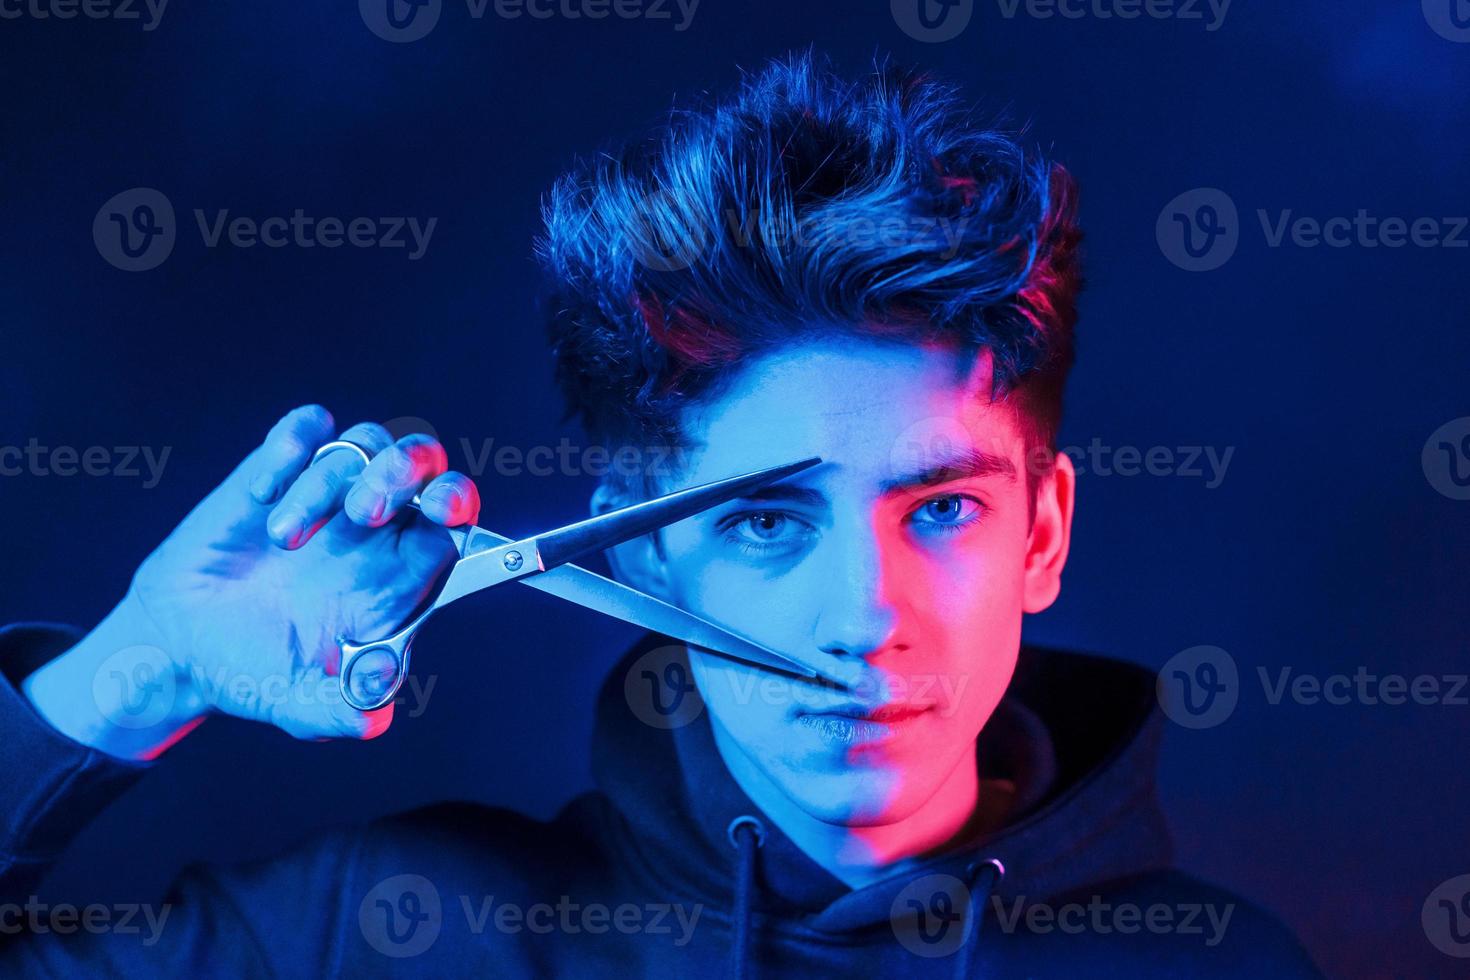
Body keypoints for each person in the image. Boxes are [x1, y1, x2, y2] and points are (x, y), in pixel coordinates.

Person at [0, 53, 1321, 977]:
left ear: (1039, 534)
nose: (864, 616)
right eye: (763, 524)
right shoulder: (387, 928)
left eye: (940, 513)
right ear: (642, 547)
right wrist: (136, 669)